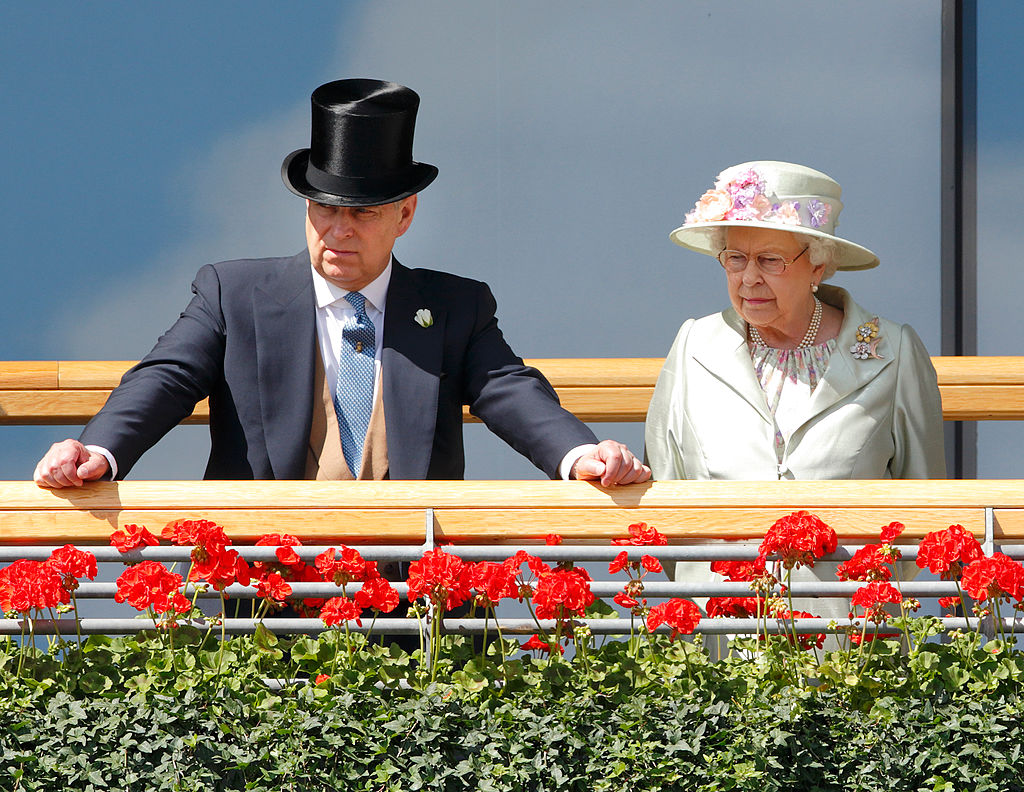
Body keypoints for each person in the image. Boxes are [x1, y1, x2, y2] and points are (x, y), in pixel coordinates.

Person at [34, 78, 649, 489]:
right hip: (263, 594)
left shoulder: (456, 306)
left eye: (363, 213)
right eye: (324, 209)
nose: (338, 230)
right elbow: (166, 378)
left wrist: (581, 456)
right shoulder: (232, 294)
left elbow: (508, 389)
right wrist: (99, 452)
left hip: (411, 597)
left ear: (404, 216)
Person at [645, 161, 945, 625]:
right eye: (735, 258)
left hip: (847, 634)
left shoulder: (893, 350)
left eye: (770, 260)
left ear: (818, 266)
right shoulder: (693, 345)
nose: (748, 278)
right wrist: (700, 586)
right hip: (717, 628)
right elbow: (665, 489)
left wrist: (861, 600)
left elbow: (923, 502)